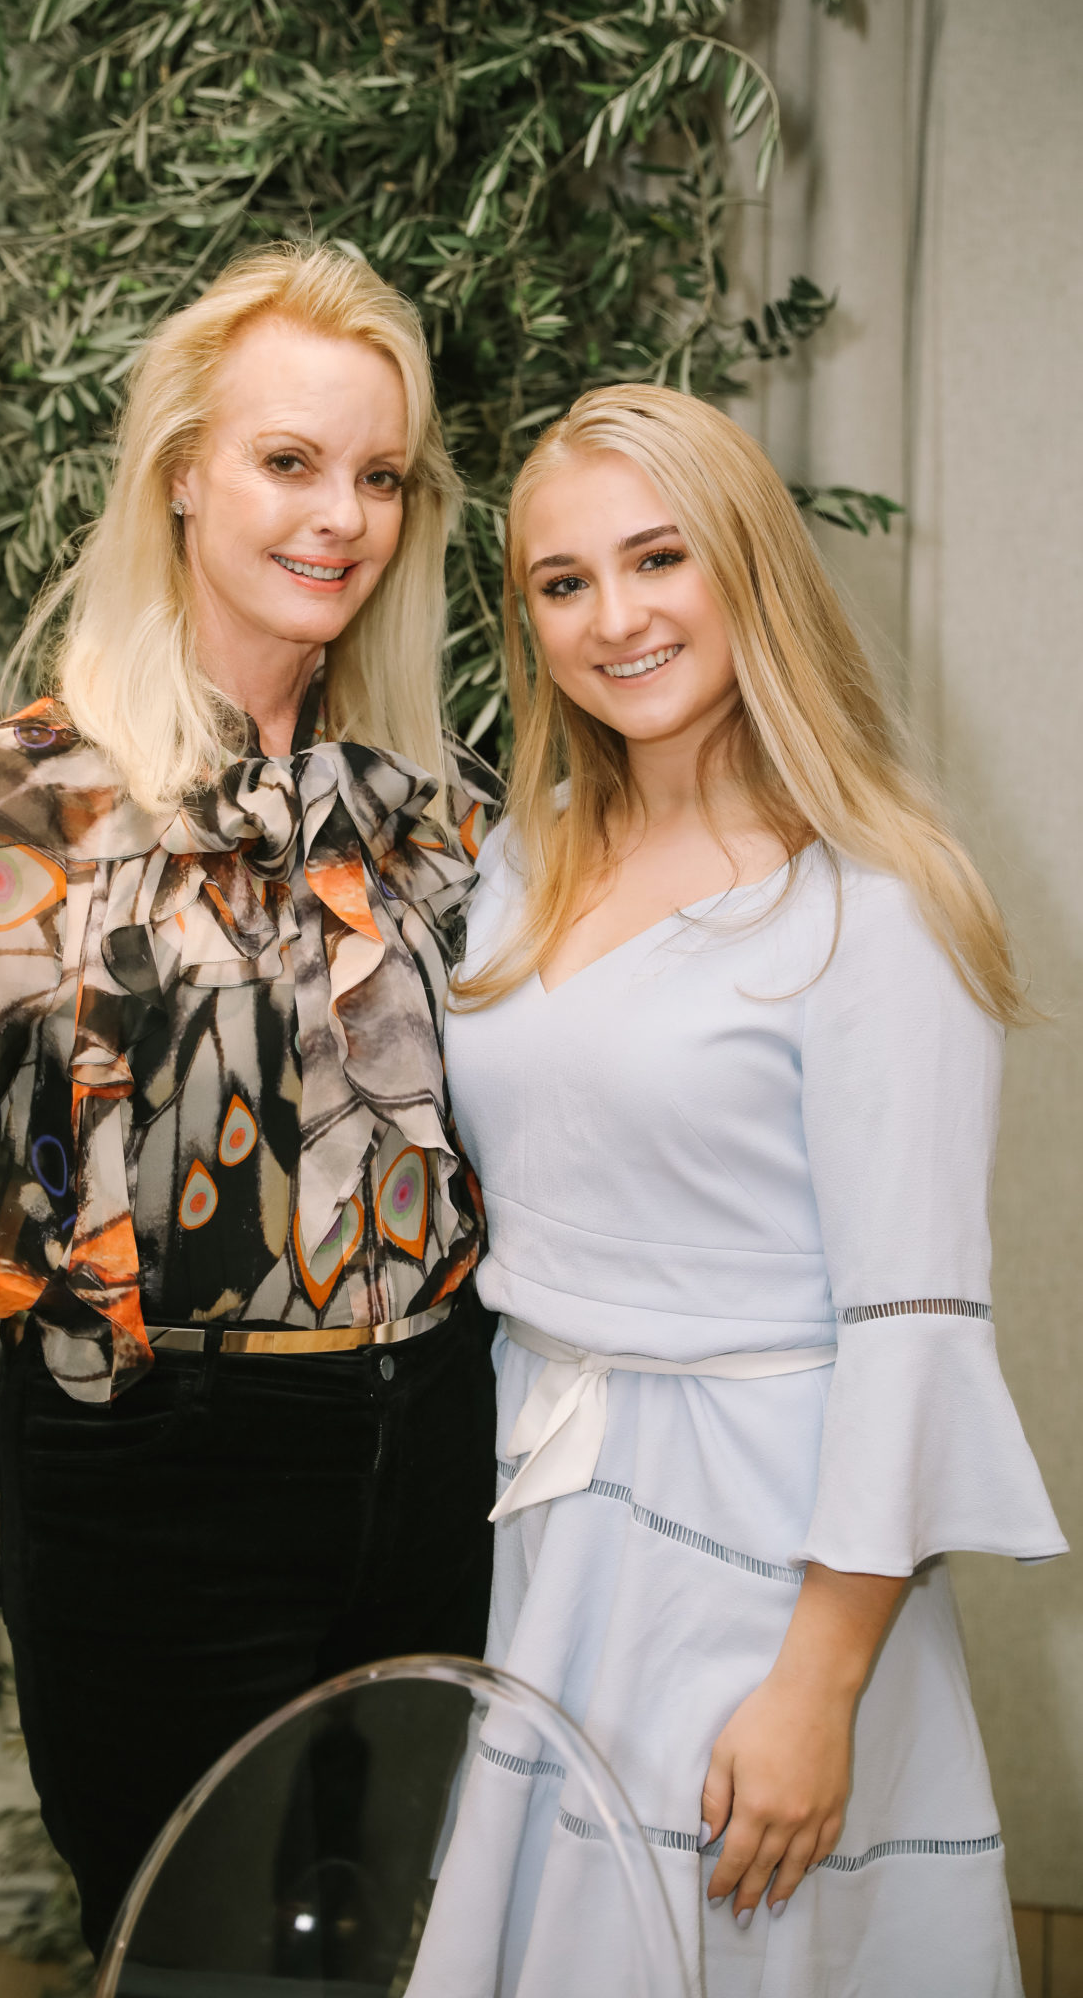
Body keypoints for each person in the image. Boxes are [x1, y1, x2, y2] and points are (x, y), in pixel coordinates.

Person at [0, 244, 499, 1956]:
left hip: (438, 1465)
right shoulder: (24, 801)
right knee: (192, 1956)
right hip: (158, 1487)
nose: (341, 517)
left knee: (401, 1944)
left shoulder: (430, 807)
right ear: (182, 471)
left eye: (379, 476)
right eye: (288, 461)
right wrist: (29, 1408)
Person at [426, 384, 1066, 1996]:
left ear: (750, 570)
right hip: (551, 1510)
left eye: (660, 559)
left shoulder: (876, 903)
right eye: (562, 582)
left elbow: (909, 1328)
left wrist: (819, 1686)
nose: (614, 618)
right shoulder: (527, 854)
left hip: (766, 1553)